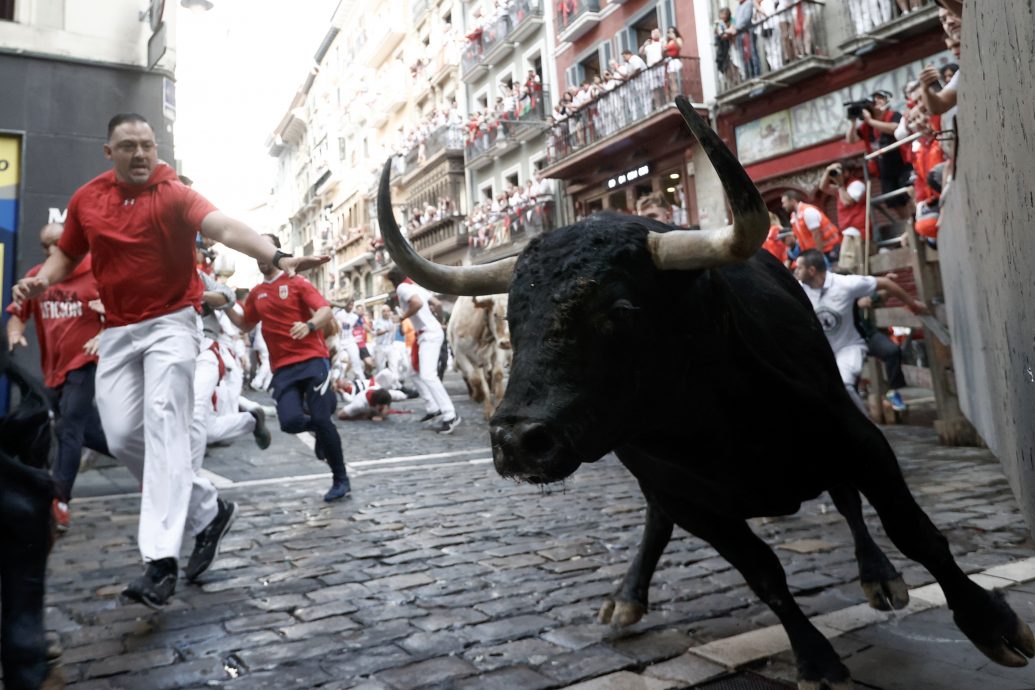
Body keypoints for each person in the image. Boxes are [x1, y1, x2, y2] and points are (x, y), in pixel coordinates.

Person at [13, 113, 328, 609]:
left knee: (163, 420)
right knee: (120, 435)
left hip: (172, 323)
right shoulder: (87, 200)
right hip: (118, 330)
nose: (140, 154)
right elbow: (68, 256)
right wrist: (42, 280)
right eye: (129, 147)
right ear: (108, 152)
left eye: (148, 145)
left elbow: (223, 225)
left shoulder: (174, 193)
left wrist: (278, 254)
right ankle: (209, 510)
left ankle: (160, 562)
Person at [6, 223, 110, 532]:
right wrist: (14, 333)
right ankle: (143, 458)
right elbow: (18, 313)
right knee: (85, 430)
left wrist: (106, 330)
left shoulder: (98, 272)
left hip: (85, 361)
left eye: (58, 242)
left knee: (69, 427)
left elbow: (122, 312)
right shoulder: (39, 277)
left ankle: (59, 500)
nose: (52, 250)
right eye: (45, 245)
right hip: (54, 367)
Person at [238, 234, 351, 503]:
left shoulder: (298, 282)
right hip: (283, 369)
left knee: (323, 420)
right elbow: (244, 324)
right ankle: (322, 431)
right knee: (289, 423)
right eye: (257, 250)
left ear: (277, 252)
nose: (261, 255)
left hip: (313, 360)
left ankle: (340, 479)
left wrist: (310, 325)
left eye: (266, 249)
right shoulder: (256, 294)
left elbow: (325, 310)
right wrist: (217, 302)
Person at [794, 249, 925, 414]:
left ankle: (891, 394)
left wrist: (912, 304)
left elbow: (879, 292)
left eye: (799, 267)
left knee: (849, 383)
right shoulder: (799, 289)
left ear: (812, 270)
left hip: (857, 341)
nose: (796, 271)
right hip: (824, 352)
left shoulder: (846, 285)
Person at [386, 266, 461, 434]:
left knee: (428, 375)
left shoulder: (402, 288)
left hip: (428, 335)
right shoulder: (415, 287)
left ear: (393, 280)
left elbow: (417, 303)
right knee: (414, 372)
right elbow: (437, 303)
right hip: (428, 333)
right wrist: (440, 322)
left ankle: (450, 415)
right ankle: (433, 407)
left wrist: (402, 316)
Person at [846, 90, 912, 219]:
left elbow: (895, 128)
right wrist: (853, 122)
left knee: (909, 195)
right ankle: (910, 225)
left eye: (880, 98)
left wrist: (871, 121)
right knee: (894, 201)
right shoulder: (867, 126)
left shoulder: (893, 115)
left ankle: (916, 219)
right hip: (884, 171)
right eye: (874, 99)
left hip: (902, 164)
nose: (877, 102)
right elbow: (851, 140)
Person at [781, 190, 842, 263]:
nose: (783, 206)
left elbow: (817, 236)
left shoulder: (808, 211)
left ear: (793, 201)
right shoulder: (794, 216)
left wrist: (819, 256)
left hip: (829, 250)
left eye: (784, 203)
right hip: (818, 252)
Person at [818, 161, 868, 239]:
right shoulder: (841, 188)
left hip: (858, 231)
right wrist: (827, 171)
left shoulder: (857, 184)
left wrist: (840, 185)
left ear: (848, 172)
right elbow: (823, 187)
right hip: (847, 232)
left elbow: (847, 202)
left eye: (841, 172)